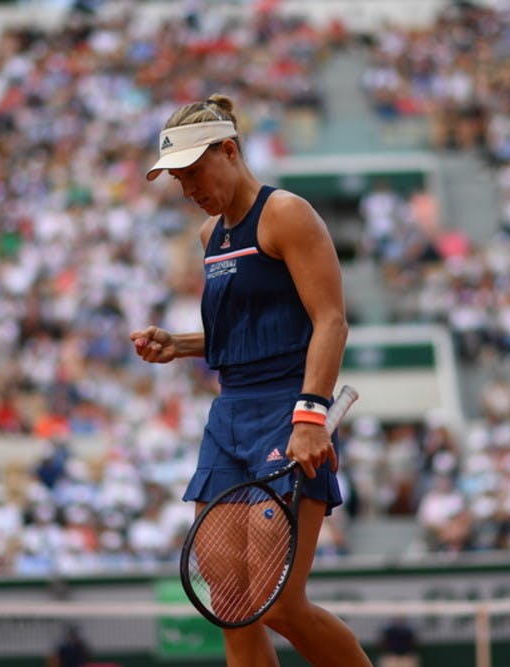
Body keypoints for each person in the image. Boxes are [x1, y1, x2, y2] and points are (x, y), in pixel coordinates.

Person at [130, 93, 371, 667]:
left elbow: (330, 322)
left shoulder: (285, 213)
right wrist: (181, 344)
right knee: (231, 604)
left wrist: (310, 416)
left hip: (288, 413)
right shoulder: (208, 234)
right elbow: (246, 334)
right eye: (176, 179)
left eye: (192, 172)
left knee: (280, 606)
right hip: (229, 417)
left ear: (229, 151)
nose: (186, 189)